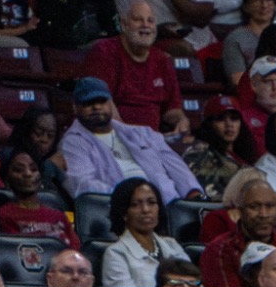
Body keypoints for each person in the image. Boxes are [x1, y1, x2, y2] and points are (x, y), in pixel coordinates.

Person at [57, 78, 202, 205]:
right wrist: (133, 199)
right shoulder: (72, 142)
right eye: (89, 103)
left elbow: (176, 167)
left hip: (169, 204)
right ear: (75, 107)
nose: (97, 107)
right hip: (119, 210)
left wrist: (193, 193)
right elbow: (83, 184)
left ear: (110, 103)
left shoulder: (143, 133)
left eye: (101, 101)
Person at [86, 0, 186, 135]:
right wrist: (133, 138)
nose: (145, 25)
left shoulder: (163, 60)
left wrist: (181, 121)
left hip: (151, 141)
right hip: (112, 136)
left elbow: (172, 109)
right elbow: (102, 106)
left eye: (150, 21)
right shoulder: (105, 52)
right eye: (138, 20)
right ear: (124, 25)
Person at [99, 178, 190, 287]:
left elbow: (194, 284)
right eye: (135, 205)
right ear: (124, 213)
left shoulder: (172, 245)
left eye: (151, 202)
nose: (146, 210)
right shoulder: (116, 253)